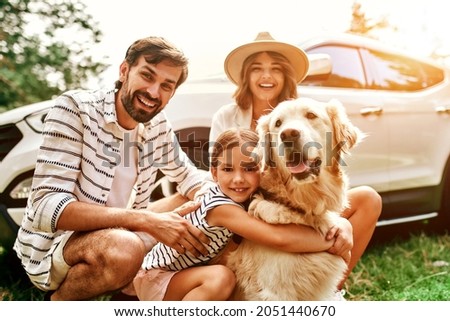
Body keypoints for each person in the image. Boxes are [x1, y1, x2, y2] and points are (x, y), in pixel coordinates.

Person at [13, 36, 214, 301]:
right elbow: (46, 208)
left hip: (121, 229)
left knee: (201, 200)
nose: (154, 92)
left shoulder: (155, 124)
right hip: (60, 243)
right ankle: (59, 304)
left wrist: (222, 199)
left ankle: (138, 287)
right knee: (125, 249)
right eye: (147, 76)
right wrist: (146, 221)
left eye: (166, 85)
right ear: (124, 71)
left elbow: (189, 176)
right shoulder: (76, 108)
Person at [210, 31, 382, 292]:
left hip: (303, 204)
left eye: (275, 69)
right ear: (246, 76)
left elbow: (330, 169)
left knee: (369, 198)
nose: (266, 76)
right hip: (251, 210)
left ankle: (330, 292)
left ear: (285, 75)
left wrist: (341, 222)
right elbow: (216, 178)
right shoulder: (228, 116)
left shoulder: (304, 106)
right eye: (257, 69)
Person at [133, 128, 353, 300]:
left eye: (249, 168)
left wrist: (342, 224)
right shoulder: (220, 207)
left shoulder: (249, 197)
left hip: (188, 273)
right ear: (214, 173)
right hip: (156, 278)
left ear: (263, 168)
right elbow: (278, 238)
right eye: (228, 170)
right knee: (221, 278)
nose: (239, 179)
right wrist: (330, 240)